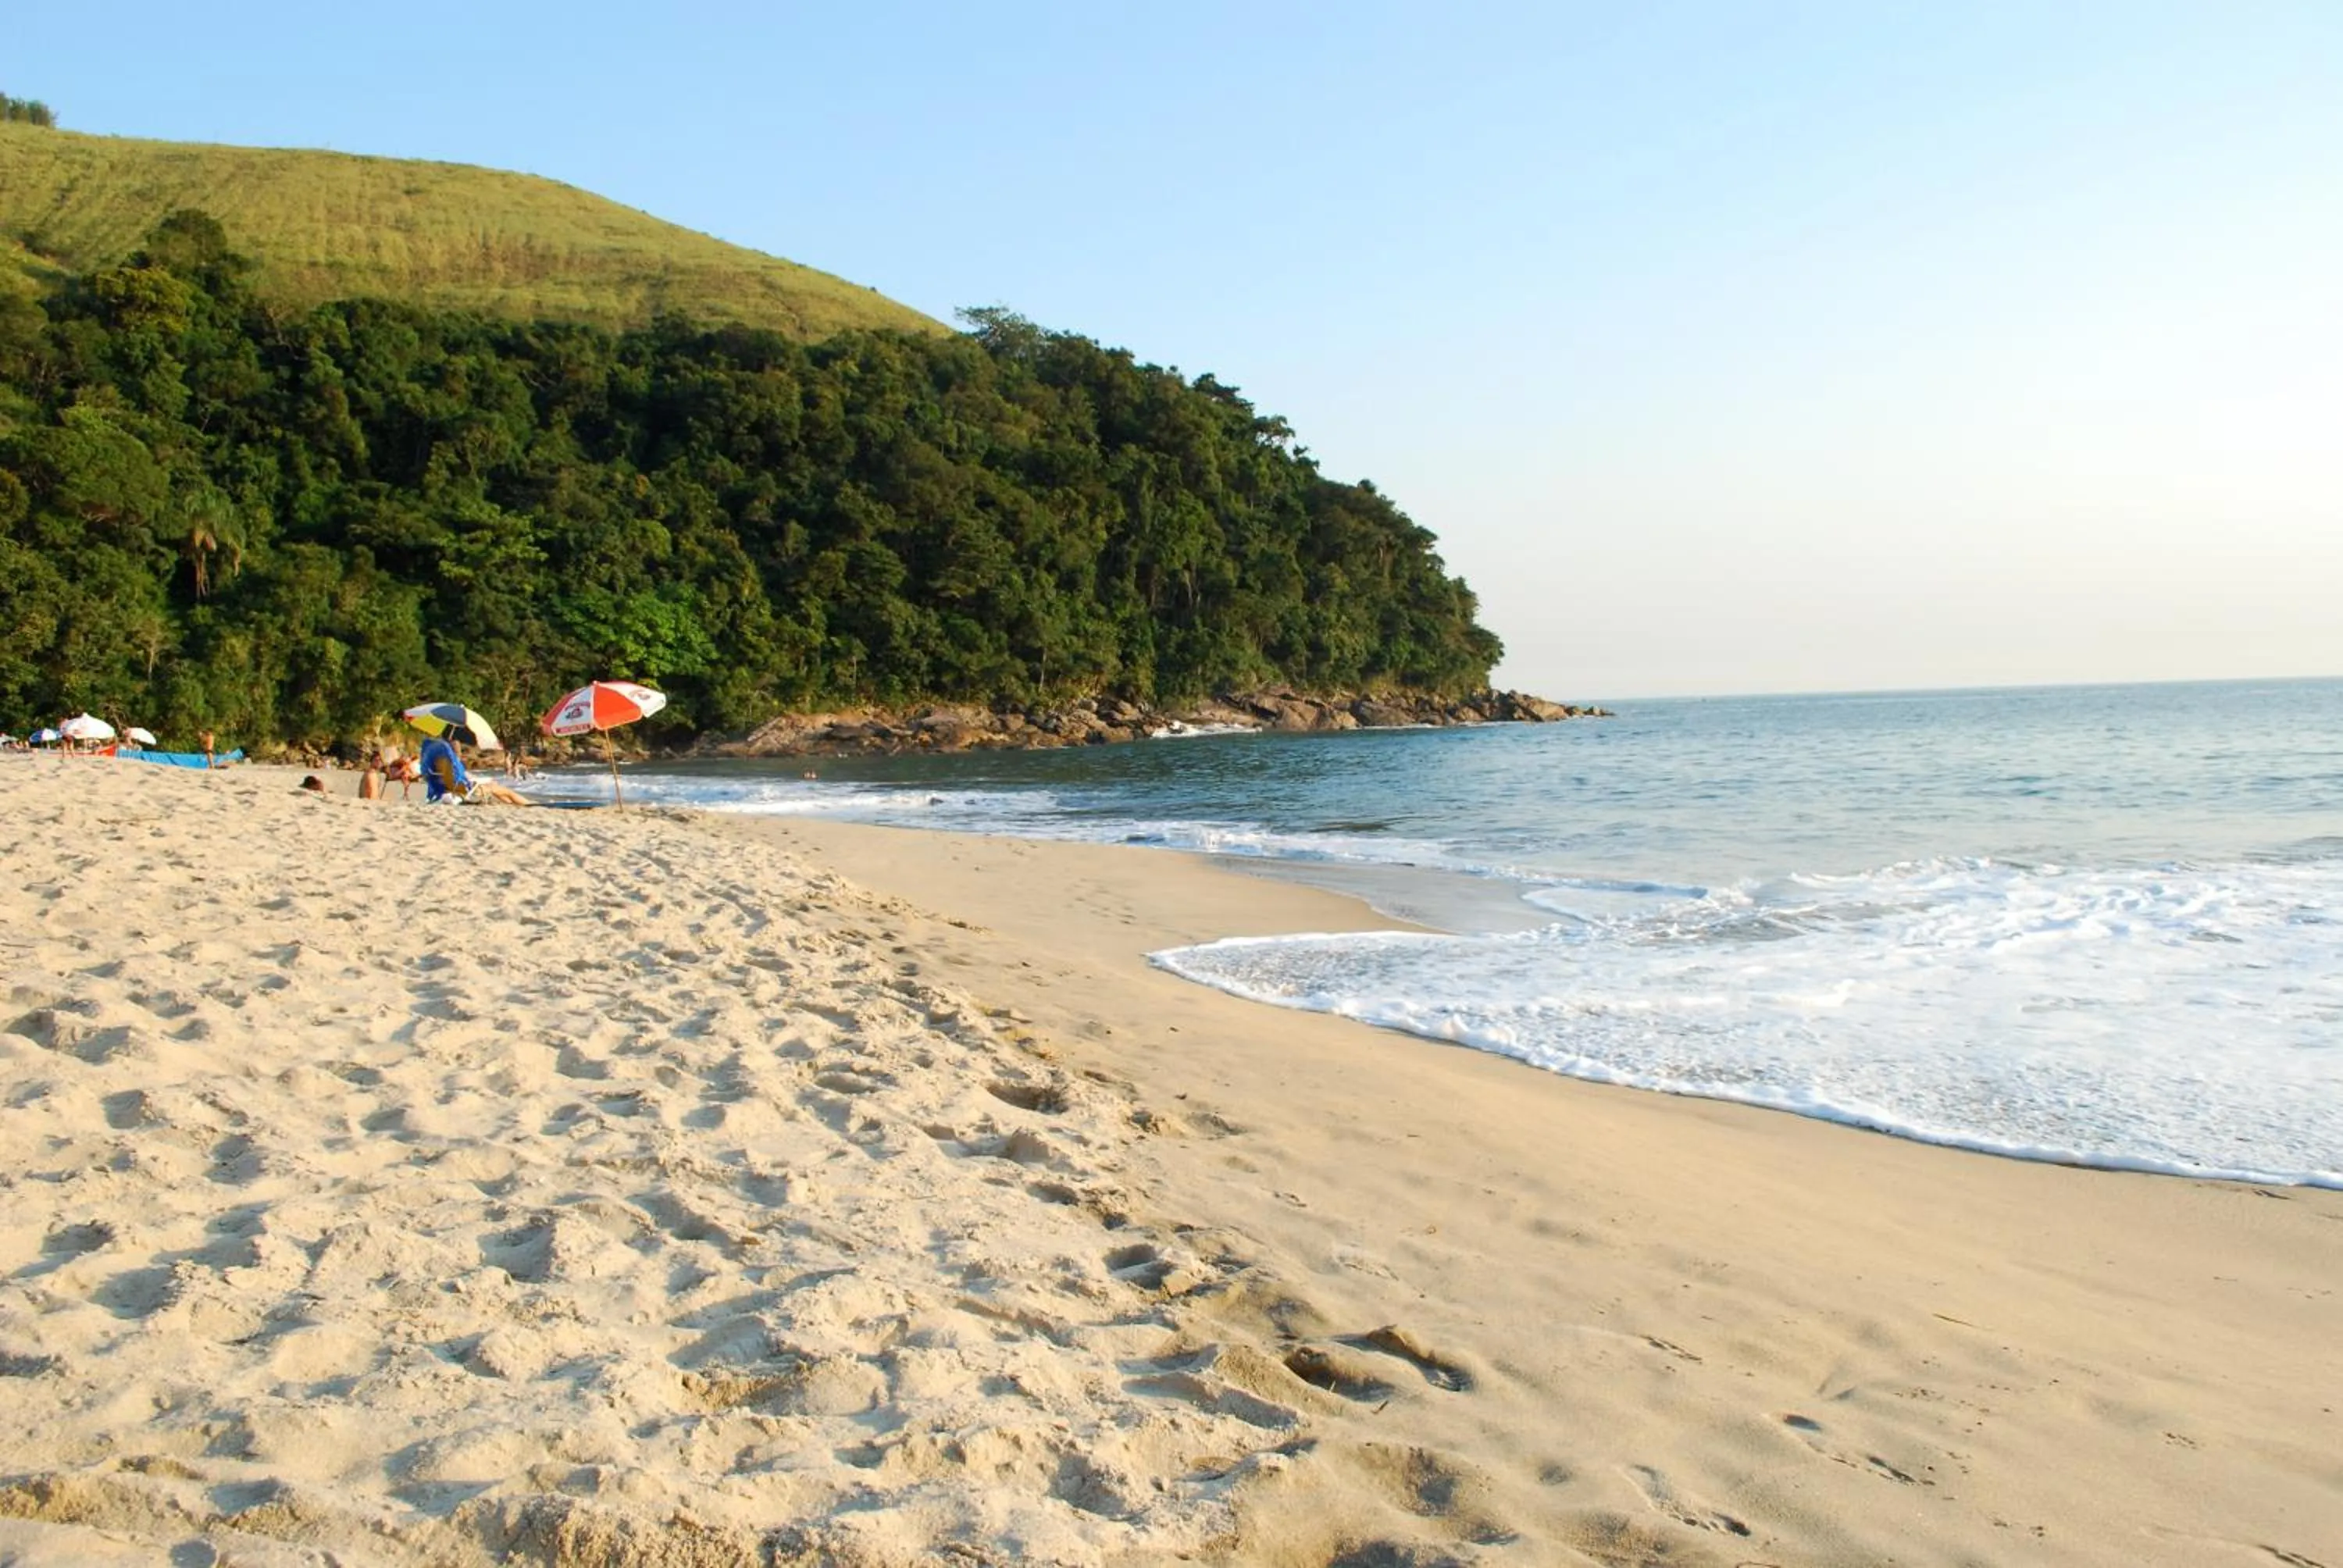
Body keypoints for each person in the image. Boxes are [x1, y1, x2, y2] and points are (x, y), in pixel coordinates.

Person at [419, 733, 530, 806]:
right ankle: (528, 804)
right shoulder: (454, 765)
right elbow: (462, 780)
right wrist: (483, 780)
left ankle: (514, 805)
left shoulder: (437, 766)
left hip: (448, 791)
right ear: (457, 752)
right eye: (459, 750)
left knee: (497, 789)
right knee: (507, 792)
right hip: (465, 792)